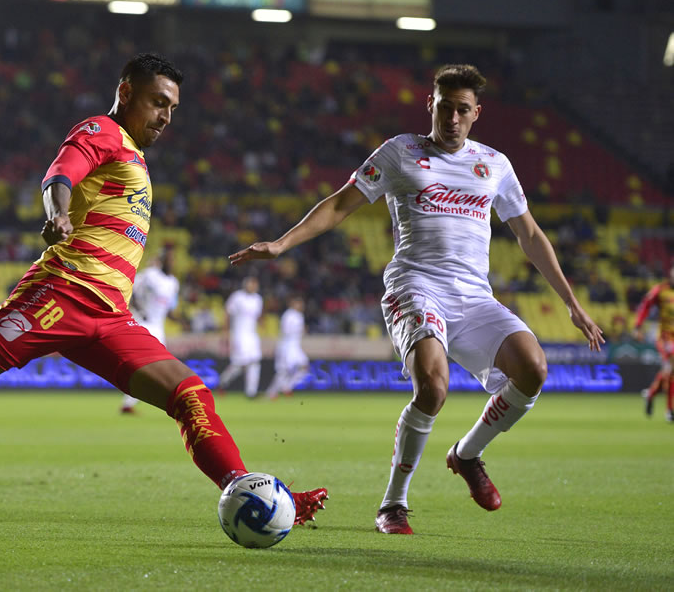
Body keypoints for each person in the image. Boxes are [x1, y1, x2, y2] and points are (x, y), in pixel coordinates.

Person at [0, 53, 327, 524]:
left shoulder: (134, 155)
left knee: (190, 395)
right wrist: (58, 212)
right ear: (126, 92)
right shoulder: (103, 130)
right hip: (59, 295)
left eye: (172, 108)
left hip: (109, 316)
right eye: (157, 102)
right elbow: (61, 171)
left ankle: (252, 491)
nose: (166, 116)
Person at [230, 64, 604, 534]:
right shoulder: (399, 152)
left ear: (476, 113)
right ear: (431, 104)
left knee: (533, 368)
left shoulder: (496, 164)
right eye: (444, 107)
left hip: (474, 297)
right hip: (415, 285)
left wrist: (571, 302)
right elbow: (342, 204)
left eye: (462, 110)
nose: (451, 118)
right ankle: (393, 504)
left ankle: (467, 455)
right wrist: (282, 244)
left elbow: (528, 233)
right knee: (433, 386)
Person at [120, 249, 180, 414]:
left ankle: (129, 402)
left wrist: (181, 320)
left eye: (173, 259)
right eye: (168, 259)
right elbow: (131, 291)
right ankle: (169, 397)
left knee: (153, 366)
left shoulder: (174, 283)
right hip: (144, 323)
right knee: (156, 364)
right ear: (161, 261)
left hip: (158, 326)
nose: (171, 262)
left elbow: (169, 308)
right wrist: (139, 311)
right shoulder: (150, 275)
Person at [634, 265, 674, 422]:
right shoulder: (661, 290)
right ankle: (669, 410)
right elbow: (645, 306)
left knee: (669, 371)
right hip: (666, 337)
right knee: (671, 369)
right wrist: (638, 326)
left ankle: (650, 393)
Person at [217, 276, 263, 398]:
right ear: (245, 284)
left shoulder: (258, 300)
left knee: (255, 361)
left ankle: (251, 392)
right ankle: (222, 382)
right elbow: (227, 314)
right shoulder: (237, 297)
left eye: (255, 284)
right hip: (239, 334)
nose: (253, 286)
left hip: (252, 335)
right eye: (251, 283)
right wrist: (225, 332)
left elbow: (258, 317)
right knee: (239, 364)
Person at [265, 296, 309, 399]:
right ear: (292, 304)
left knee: (304, 366)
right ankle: (272, 393)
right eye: (298, 303)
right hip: (286, 346)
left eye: (301, 303)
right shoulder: (288, 315)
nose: (301, 305)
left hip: (295, 346)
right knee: (283, 371)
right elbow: (286, 331)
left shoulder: (299, 316)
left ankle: (286, 387)